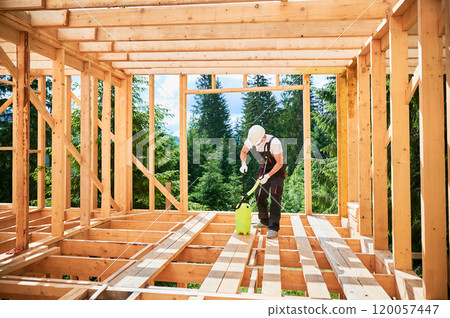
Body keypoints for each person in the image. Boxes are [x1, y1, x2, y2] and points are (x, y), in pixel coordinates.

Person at [239, 125, 286, 239]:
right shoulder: (252, 140)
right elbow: (244, 152)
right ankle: (264, 221)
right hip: (263, 168)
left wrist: (268, 175)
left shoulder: (274, 143)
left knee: (275, 196)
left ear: (263, 137)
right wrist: (243, 163)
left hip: (277, 170)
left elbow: (279, 163)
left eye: (258, 143)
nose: (256, 146)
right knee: (259, 194)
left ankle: (274, 228)